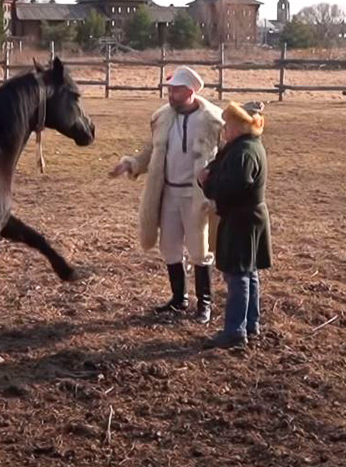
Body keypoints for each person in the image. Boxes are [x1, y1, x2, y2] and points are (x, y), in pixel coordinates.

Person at [110, 66, 224, 323]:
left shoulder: (213, 121)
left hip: (197, 196)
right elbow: (151, 151)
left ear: (191, 91)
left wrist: (216, 181)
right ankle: (178, 299)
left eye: (176, 90)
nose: (170, 95)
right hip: (168, 192)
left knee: (200, 248)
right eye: (169, 90)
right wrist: (132, 164)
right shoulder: (162, 118)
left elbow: (225, 155)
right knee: (169, 247)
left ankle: (204, 304)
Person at [198, 100, 271, 348]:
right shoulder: (242, 146)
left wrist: (207, 184)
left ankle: (235, 331)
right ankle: (250, 324)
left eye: (227, 124)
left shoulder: (243, 152)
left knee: (238, 274)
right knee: (249, 272)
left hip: (241, 220)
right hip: (247, 218)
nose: (224, 129)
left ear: (239, 127)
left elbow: (231, 188)